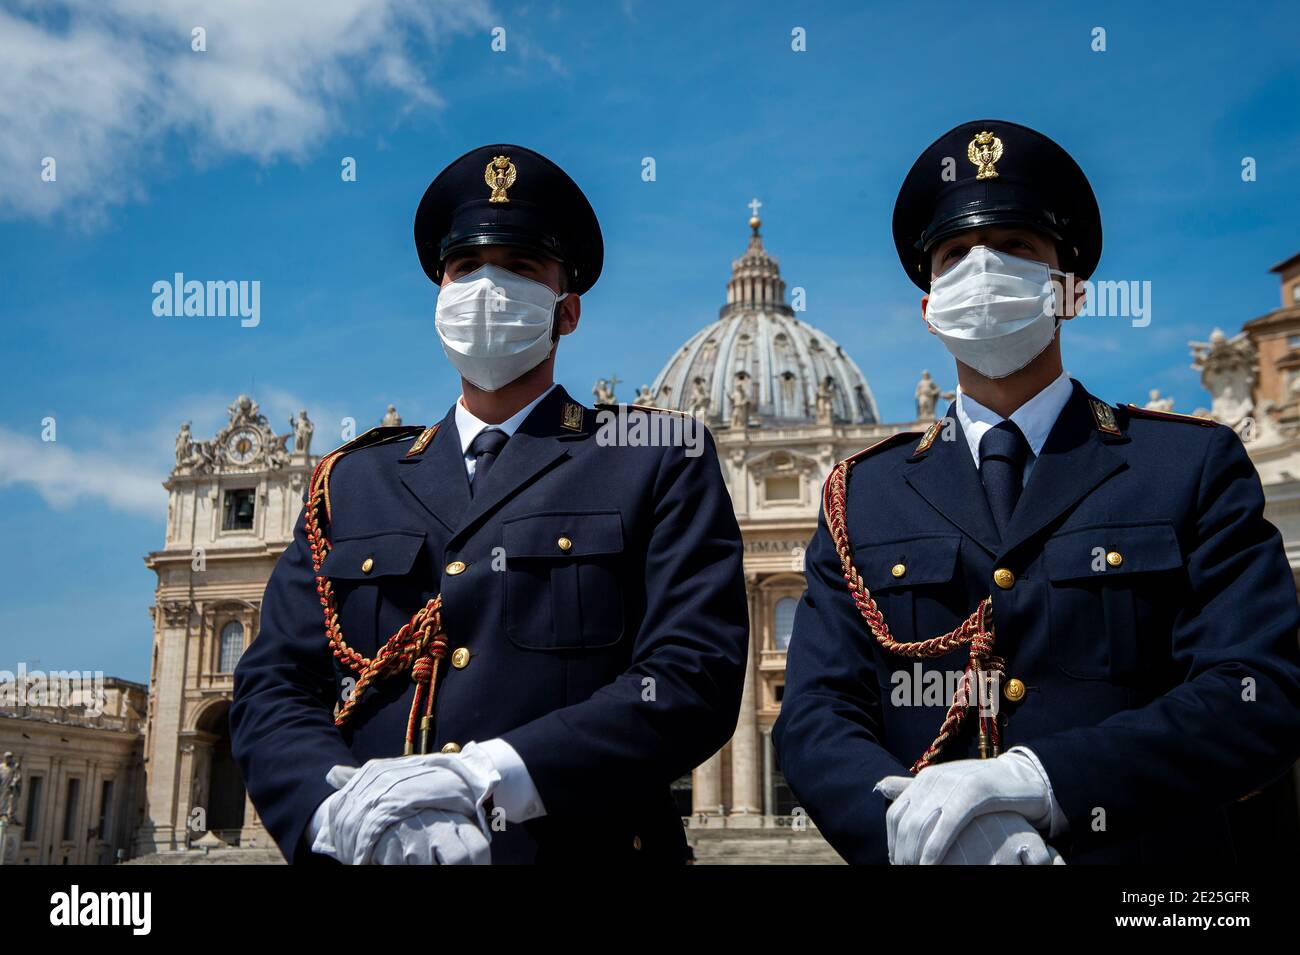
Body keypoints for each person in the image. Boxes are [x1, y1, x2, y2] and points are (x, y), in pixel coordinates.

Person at [773, 119, 1300, 864]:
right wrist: (926, 834)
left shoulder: (1190, 465)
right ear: (930, 307)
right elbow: (815, 720)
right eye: (955, 256)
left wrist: (1041, 780)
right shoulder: (858, 496)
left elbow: (1260, 692)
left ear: (1071, 291)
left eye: (1016, 247)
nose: (983, 270)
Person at [230, 144, 749, 865]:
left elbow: (695, 676)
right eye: (466, 267)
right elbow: (275, 683)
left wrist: (489, 774)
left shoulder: (655, 456)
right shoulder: (349, 482)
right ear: (439, 298)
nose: (486, 287)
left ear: (565, 311)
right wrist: (337, 812)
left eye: (519, 268)